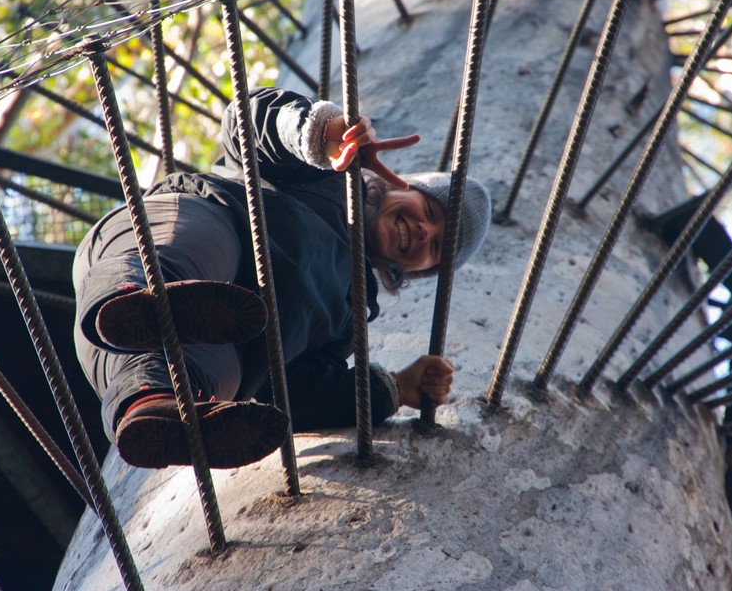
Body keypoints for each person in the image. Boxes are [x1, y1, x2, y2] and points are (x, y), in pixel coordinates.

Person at [73, 87, 491, 469]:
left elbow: (289, 391)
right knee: (191, 256)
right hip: (193, 225)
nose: (424, 232)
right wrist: (319, 134)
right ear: (404, 187)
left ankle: (154, 411)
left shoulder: (349, 317)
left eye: (436, 248)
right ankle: (139, 301)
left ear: (420, 271)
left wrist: (393, 389)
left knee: (219, 372)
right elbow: (247, 123)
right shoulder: (327, 176)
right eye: (432, 213)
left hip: (185, 344)